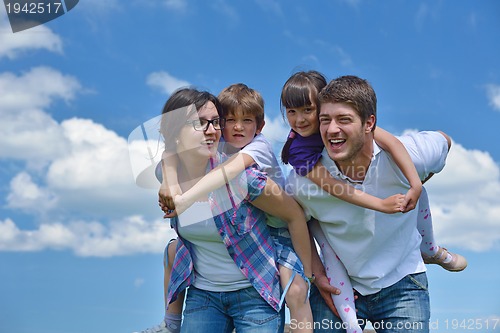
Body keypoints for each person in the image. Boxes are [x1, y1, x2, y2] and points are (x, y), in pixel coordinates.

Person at [286, 74, 457, 332]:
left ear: (369, 124)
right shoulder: (302, 180)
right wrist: (317, 274)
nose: (332, 129)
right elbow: (296, 222)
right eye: (325, 120)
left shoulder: (411, 155)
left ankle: (432, 250)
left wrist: (419, 180)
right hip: (342, 285)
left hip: (403, 280)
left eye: (344, 119)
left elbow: (445, 140)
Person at [141, 87, 311, 333]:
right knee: (172, 249)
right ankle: (170, 326)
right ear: (175, 132)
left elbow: (293, 214)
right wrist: (169, 180)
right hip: (204, 294)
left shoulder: (245, 178)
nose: (212, 131)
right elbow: (168, 155)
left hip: (254, 294)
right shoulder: (167, 176)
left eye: (215, 122)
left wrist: (307, 272)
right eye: (200, 124)